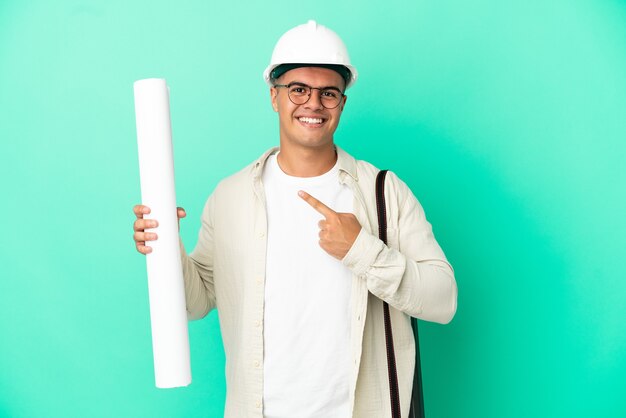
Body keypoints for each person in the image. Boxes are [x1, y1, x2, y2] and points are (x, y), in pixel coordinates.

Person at [133, 20, 457, 418]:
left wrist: (362, 250)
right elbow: (197, 301)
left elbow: (444, 301)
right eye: (298, 89)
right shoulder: (230, 196)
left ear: (342, 102)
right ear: (274, 96)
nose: (313, 104)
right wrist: (165, 248)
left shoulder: (384, 193)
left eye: (329, 93)